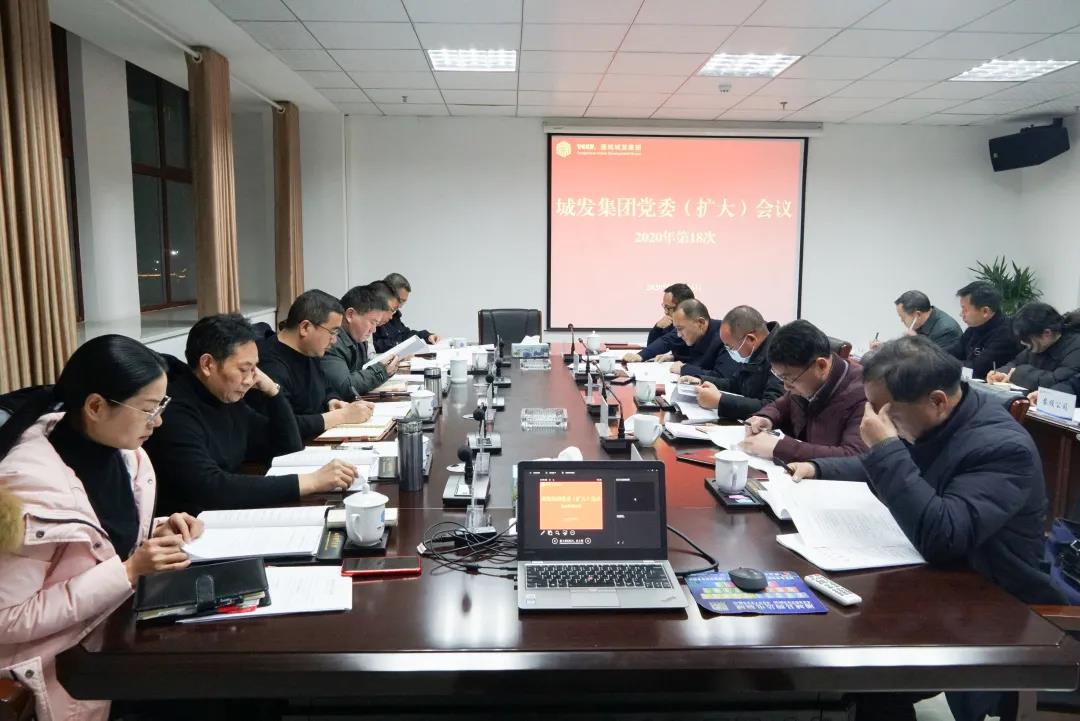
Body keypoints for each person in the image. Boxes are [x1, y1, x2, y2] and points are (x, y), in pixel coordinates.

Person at [790, 335, 1063, 721]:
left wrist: (884, 446)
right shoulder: (942, 419)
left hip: (994, 604)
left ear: (937, 400)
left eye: (889, 416)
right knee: (842, 634)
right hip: (938, 582)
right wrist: (818, 467)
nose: (877, 423)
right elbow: (897, 461)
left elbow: (942, 537)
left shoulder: (1002, 448)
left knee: (865, 664)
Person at [0, 335, 204, 721]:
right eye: (149, 409)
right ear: (95, 406)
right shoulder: (25, 488)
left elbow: (98, 540)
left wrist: (157, 534)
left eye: (162, 406)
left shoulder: (126, 456)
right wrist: (129, 571)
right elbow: (7, 619)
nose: (158, 421)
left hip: (114, 630)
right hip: (59, 668)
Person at [145, 314, 359, 515]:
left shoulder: (228, 399)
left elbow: (287, 447)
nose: (250, 380)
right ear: (208, 364)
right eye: (243, 369)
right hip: (190, 527)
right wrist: (311, 482)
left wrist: (273, 392)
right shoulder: (174, 412)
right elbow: (210, 487)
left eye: (254, 369)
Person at [253, 290, 374, 442]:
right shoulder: (269, 365)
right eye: (332, 332)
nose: (334, 340)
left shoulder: (309, 350)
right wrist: (341, 416)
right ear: (305, 327)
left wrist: (332, 401)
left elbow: (326, 387)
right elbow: (282, 425)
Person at [742, 319, 867, 464]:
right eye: (781, 377)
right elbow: (780, 406)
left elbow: (854, 457)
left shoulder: (864, 393)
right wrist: (765, 418)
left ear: (821, 365)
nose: (786, 387)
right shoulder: (806, 379)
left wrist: (780, 448)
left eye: (789, 379)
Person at [681, 305, 785, 419]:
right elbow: (735, 384)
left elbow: (771, 407)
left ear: (751, 339)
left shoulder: (781, 356)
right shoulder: (753, 352)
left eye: (730, 347)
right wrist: (701, 380)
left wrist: (720, 401)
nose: (730, 352)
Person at [321, 285, 399, 400]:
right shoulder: (332, 341)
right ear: (350, 315)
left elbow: (362, 371)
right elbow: (344, 387)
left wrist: (386, 368)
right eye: (372, 322)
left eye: (376, 324)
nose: (374, 330)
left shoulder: (358, 338)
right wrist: (381, 371)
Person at [988, 303, 1080, 391]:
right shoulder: (1037, 345)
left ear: (1047, 333)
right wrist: (1001, 373)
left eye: (1026, 338)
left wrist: (1017, 374)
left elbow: (1059, 381)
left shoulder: (1076, 348)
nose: (1022, 342)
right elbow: (1014, 364)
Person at [942, 280, 1021, 379]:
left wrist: (943, 365)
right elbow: (953, 351)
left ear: (985, 311)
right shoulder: (974, 328)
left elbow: (976, 370)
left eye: (965, 309)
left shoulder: (1006, 334)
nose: (961, 314)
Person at [623, 285, 695, 363]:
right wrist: (657, 328)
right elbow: (651, 345)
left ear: (683, 307)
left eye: (668, 308)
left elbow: (668, 340)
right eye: (664, 306)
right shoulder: (671, 320)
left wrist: (640, 356)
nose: (666, 312)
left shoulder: (692, 322)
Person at [871, 290, 961, 351]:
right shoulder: (922, 322)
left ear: (918, 315)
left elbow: (936, 364)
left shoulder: (946, 331)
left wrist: (917, 342)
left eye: (902, 317)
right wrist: (884, 347)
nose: (901, 321)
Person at [373, 273, 440, 351]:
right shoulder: (373, 314)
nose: (400, 306)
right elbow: (373, 345)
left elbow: (404, 335)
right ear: (387, 293)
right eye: (399, 300)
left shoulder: (394, 314)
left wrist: (426, 336)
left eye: (403, 302)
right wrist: (400, 344)